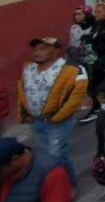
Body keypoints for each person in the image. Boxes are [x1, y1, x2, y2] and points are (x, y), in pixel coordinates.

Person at [16, 37, 87, 189]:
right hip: (35, 121)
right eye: (36, 49)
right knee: (45, 155)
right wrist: (23, 114)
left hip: (57, 121)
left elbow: (76, 97)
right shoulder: (28, 69)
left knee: (58, 154)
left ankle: (69, 186)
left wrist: (59, 116)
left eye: (43, 48)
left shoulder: (70, 69)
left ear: (55, 51)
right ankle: (53, 186)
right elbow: (22, 91)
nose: (37, 52)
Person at [67, 5, 96, 69]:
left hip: (94, 55)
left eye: (80, 14)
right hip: (80, 57)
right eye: (75, 14)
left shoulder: (95, 26)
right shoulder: (73, 28)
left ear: (87, 15)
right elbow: (72, 44)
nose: (76, 17)